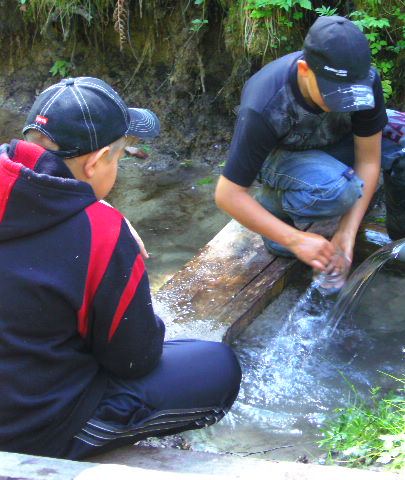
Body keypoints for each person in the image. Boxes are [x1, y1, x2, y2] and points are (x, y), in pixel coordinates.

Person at [0, 77, 242, 460]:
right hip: (31, 432)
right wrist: (101, 219)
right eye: (122, 155)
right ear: (96, 163)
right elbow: (134, 360)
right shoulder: (101, 235)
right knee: (217, 367)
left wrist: (94, 207)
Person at [215, 15, 405, 276]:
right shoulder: (266, 102)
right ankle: (274, 206)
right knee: (338, 190)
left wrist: (346, 233)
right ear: (304, 70)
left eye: (351, 94)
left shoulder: (365, 79)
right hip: (285, 155)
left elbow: (369, 159)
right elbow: (227, 194)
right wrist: (296, 240)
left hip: (336, 141)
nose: (344, 104)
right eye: (333, 95)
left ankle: (403, 230)